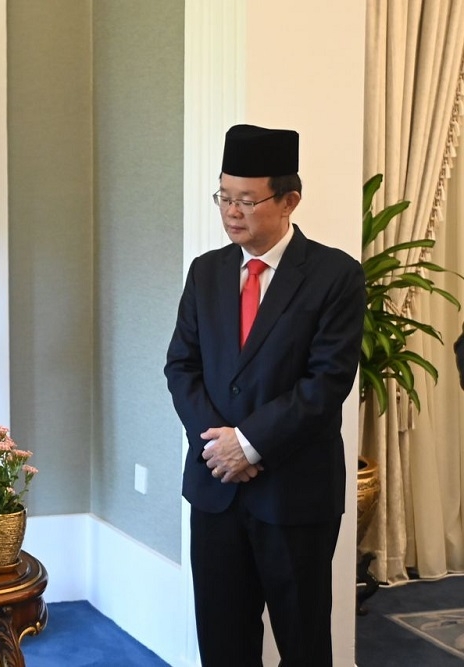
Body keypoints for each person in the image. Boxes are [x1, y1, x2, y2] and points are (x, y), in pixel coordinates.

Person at [164, 124, 365, 666]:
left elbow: (326, 383)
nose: (232, 212)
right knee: (223, 643)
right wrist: (218, 446)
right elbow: (182, 366)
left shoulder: (335, 275)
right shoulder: (206, 273)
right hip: (215, 491)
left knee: (302, 644)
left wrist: (248, 444)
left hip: (293, 493)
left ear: (289, 199)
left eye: (247, 200)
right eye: (224, 197)